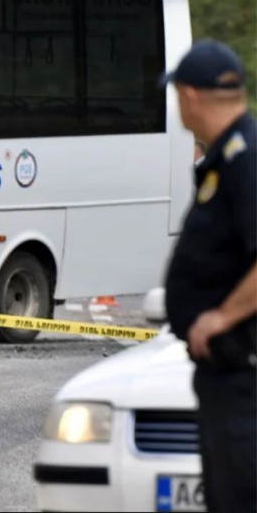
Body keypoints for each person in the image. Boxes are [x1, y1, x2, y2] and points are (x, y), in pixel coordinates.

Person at [161, 39, 256, 513]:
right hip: (225, 377)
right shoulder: (227, 159)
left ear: (191, 96)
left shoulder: (246, 160)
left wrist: (219, 318)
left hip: (243, 377)